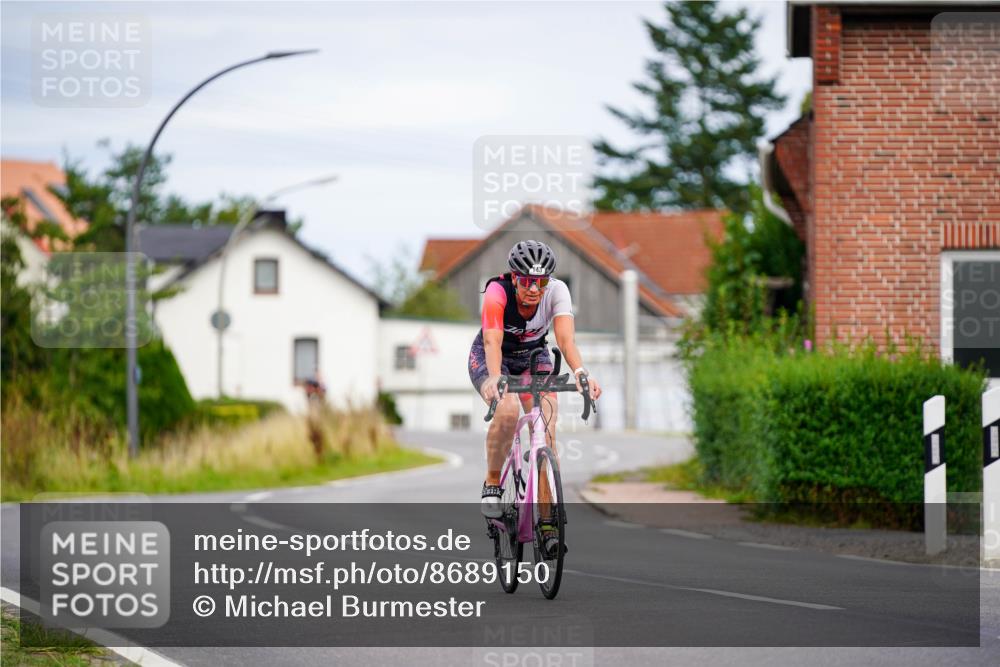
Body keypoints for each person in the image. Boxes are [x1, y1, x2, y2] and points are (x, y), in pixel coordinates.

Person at [468, 240, 602, 553]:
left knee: (547, 427)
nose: (534, 289)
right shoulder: (496, 292)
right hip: (494, 356)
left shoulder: (557, 291)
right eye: (527, 282)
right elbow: (492, 338)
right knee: (508, 410)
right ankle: (491, 482)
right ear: (514, 278)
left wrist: (581, 373)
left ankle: (546, 522)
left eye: (540, 282)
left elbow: (565, 340)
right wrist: (495, 380)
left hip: (533, 356)